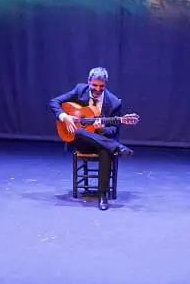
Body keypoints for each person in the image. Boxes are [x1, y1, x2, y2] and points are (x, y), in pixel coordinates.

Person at [48, 67, 134, 211]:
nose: (97, 89)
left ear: (106, 85)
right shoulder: (79, 90)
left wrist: (100, 128)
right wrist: (65, 117)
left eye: (101, 86)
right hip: (80, 141)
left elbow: (113, 130)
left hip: (100, 141)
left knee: (105, 149)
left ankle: (102, 195)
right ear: (88, 82)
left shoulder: (114, 102)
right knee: (80, 131)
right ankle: (117, 147)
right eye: (94, 85)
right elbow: (53, 102)